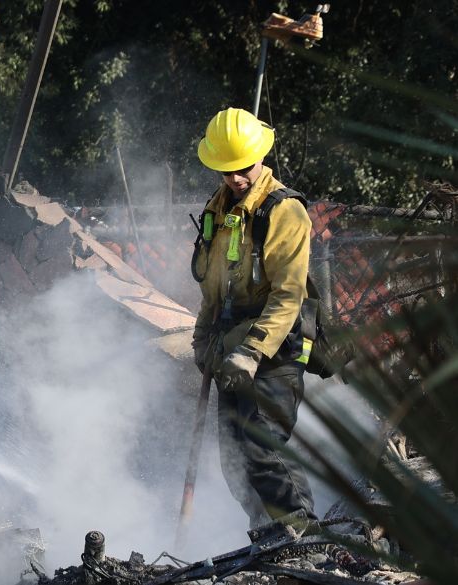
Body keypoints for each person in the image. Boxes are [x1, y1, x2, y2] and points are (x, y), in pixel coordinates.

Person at [189, 108, 317, 541]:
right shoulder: (218, 208)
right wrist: (201, 338)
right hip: (229, 350)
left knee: (264, 449)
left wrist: (251, 352)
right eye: (227, 170)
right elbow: (213, 284)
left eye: (243, 167)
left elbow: (288, 296)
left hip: (274, 351)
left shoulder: (285, 211)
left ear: (259, 157)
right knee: (234, 457)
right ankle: (267, 537)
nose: (236, 177)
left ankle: (303, 537)